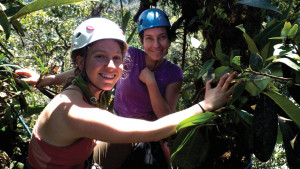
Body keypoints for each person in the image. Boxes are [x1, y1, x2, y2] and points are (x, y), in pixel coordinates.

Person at [20, 17, 239, 169]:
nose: (111, 66)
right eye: (100, 56)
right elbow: (153, 130)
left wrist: (45, 80)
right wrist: (206, 105)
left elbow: (73, 74)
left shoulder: (79, 87)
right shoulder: (75, 112)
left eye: (117, 58)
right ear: (81, 60)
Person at [17, 8, 183, 168]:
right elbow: (88, 70)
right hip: (117, 129)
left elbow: (164, 117)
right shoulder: (130, 57)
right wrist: (44, 80)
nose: (156, 45)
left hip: (147, 136)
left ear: (169, 39)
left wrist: (151, 82)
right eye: (149, 38)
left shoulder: (173, 73)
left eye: (162, 37)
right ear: (141, 41)